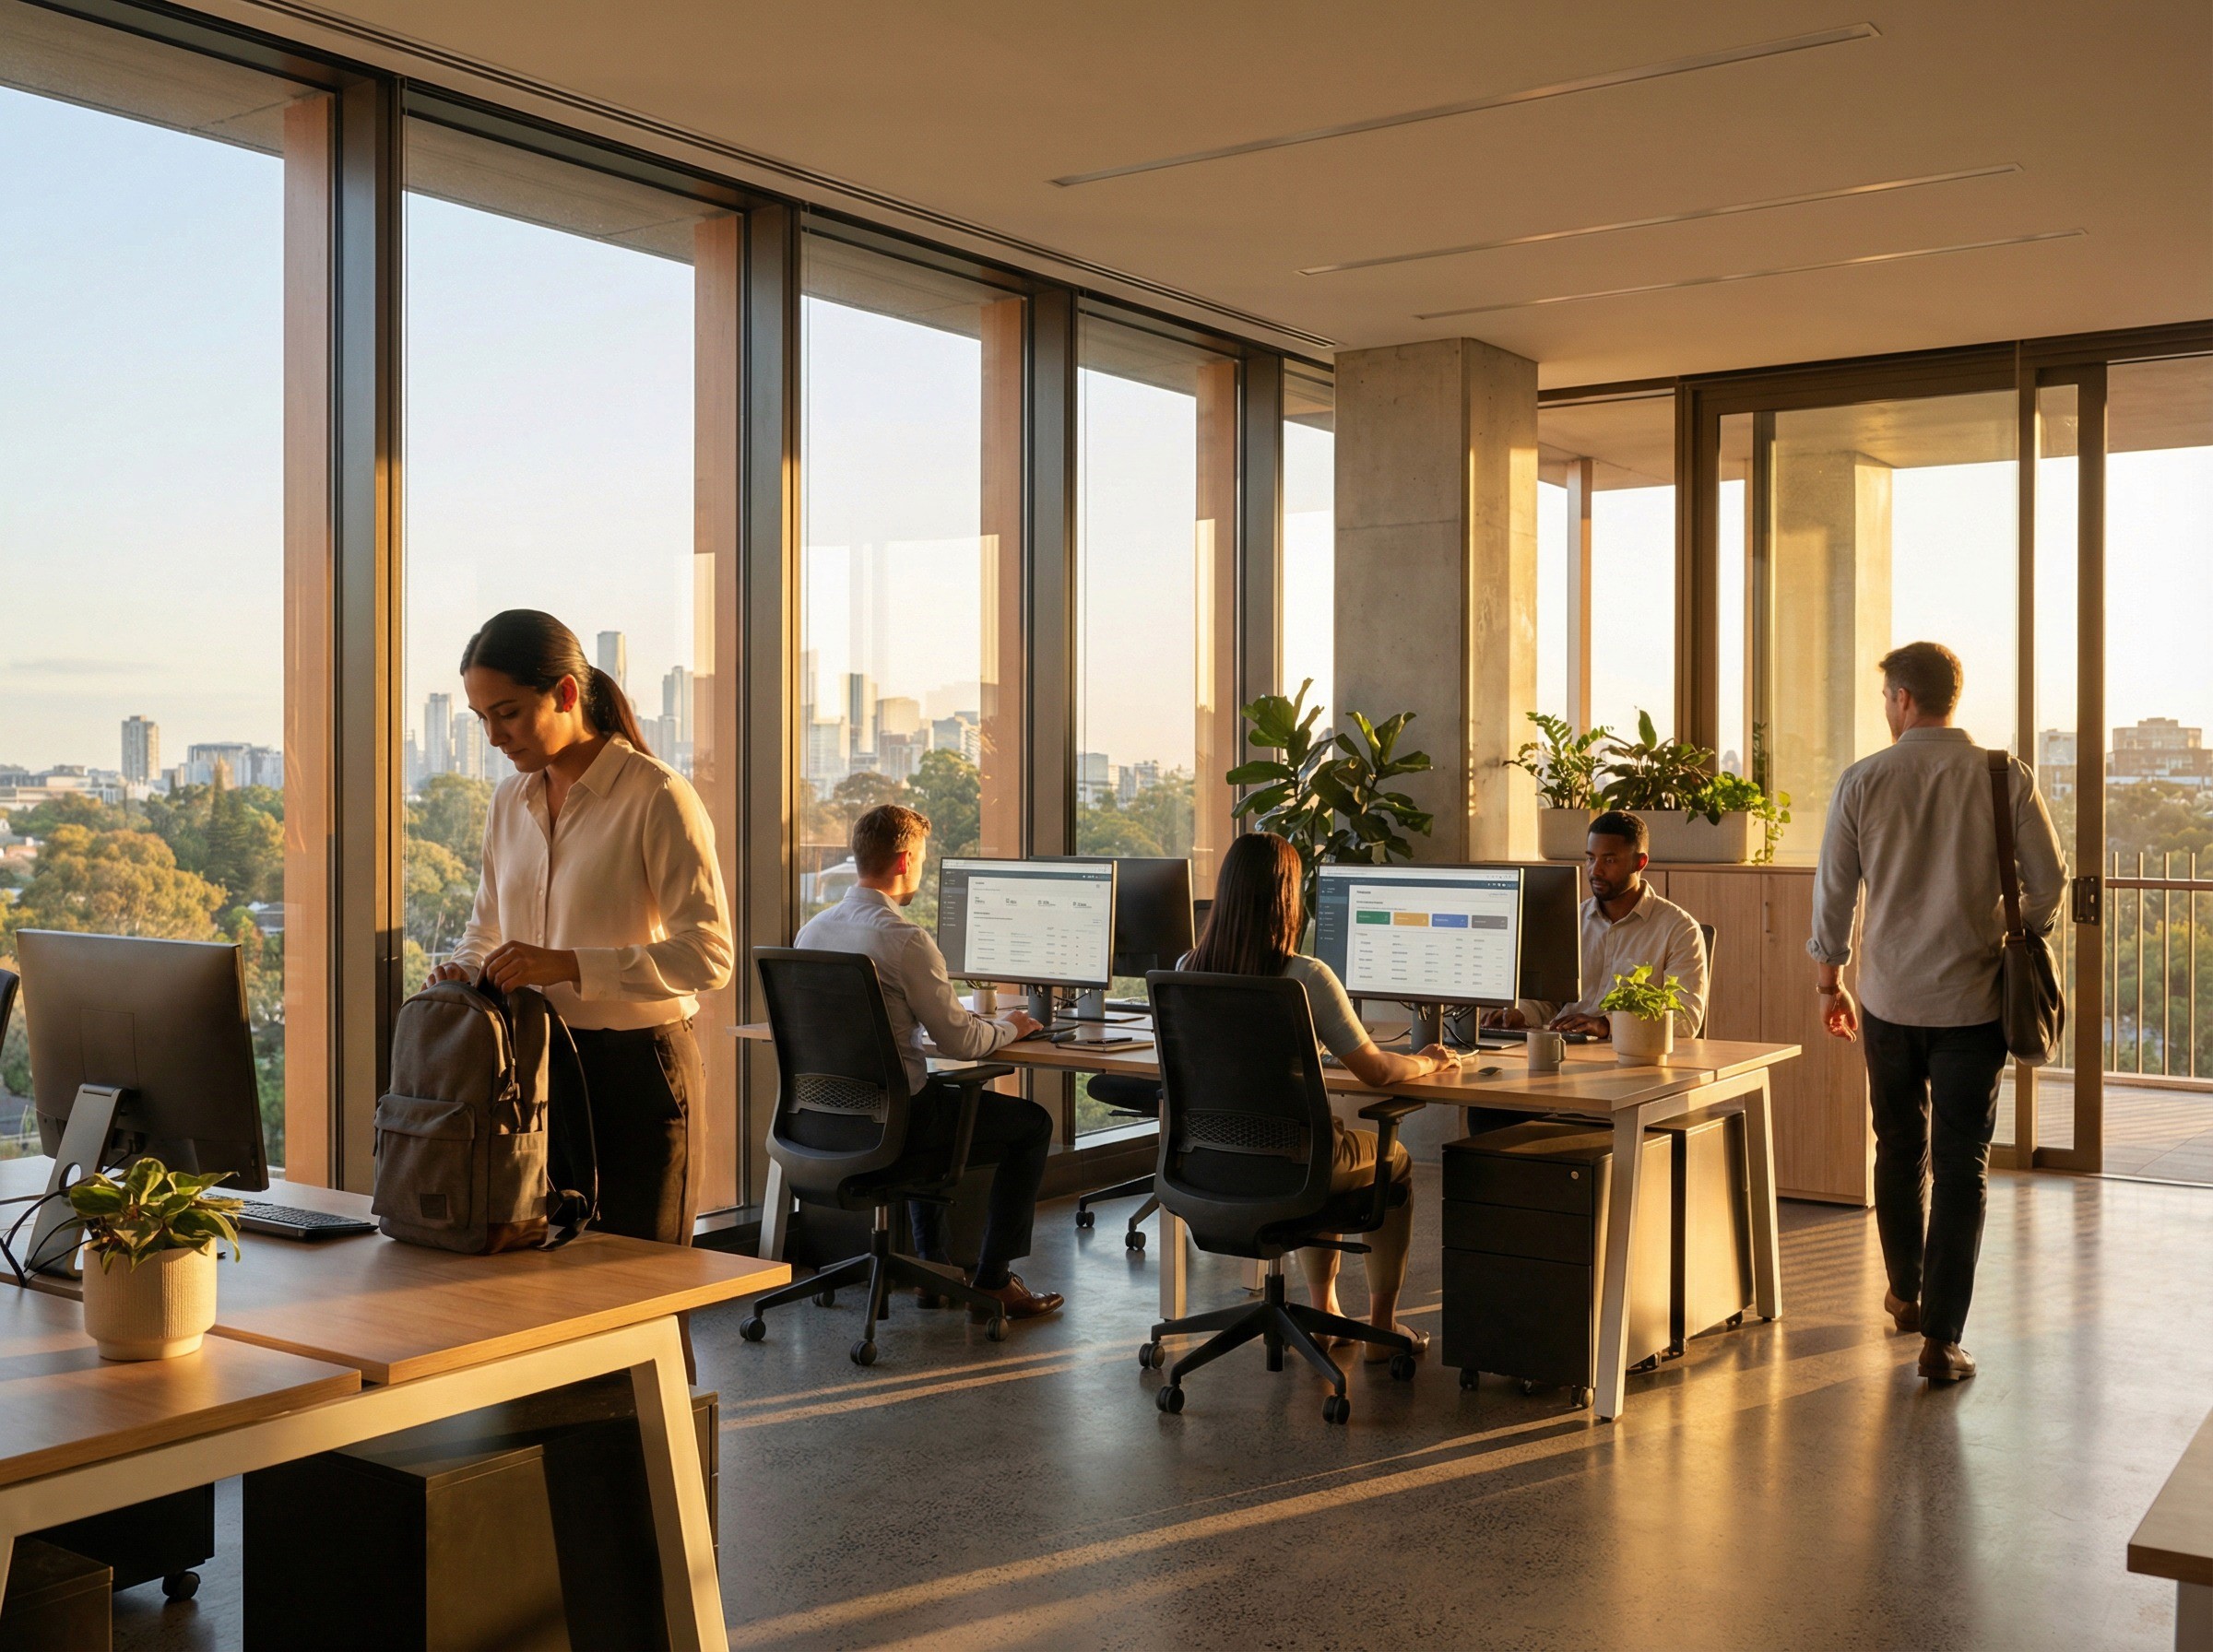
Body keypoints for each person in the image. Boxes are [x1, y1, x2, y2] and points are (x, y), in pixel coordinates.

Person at [430, 609, 734, 1252]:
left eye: (508, 713)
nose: (493, 736)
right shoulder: (508, 802)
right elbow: (486, 927)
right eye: (481, 718)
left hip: (638, 1074)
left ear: (566, 693)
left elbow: (709, 955)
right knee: (539, 1283)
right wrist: (465, 967)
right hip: (532, 1073)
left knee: (638, 1282)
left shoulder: (657, 796)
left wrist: (570, 964)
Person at [1810, 641, 2064, 1385]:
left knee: (1898, 1147)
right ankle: (1943, 1341)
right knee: (1962, 1167)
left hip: (1888, 1000)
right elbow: (2049, 884)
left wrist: (1830, 982)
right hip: (1972, 1002)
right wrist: (2006, 934)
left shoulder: (1864, 779)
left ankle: (1905, 1294)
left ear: (1902, 698)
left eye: (1885, 697)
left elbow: (1834, 893)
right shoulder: (2003, 775)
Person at [1187, 832, 1470, 1360]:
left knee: (1326, 1146)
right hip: (1296, 1162)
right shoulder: (1305, 976)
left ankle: (1327, 1314)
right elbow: (1377, 1071)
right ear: (1287, 899)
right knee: (1393, 1160)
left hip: (1210, 1160)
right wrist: (1429, 1060)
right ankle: (1383, 1329)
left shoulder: (1186, 971)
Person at [792, 805, 1064, 1322]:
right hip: (900, 1128)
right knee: (1031, 1124)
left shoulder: (813, 931)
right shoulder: (905, 940)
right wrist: (1014, 1025)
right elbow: (961, 1042)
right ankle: (994, 1281)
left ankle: (933, 1270)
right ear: (904, 861)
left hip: (824, 1122)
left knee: (928, 1095)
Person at [1488, 810, 1710, 1039]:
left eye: (1609, 860)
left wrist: (1607, 1025)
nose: (1595, 870)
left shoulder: (1680, 930)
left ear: (1640, 862)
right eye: (1591, 858)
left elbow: (1685, 1019)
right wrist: (1519, 1014)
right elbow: (1549, 1002)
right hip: (1564, 1046)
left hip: (1631, 1053)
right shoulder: (1571, 921)